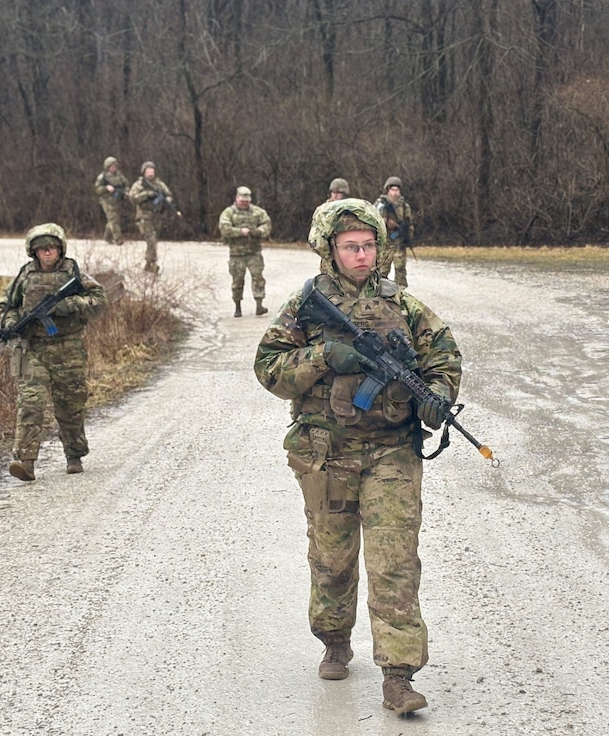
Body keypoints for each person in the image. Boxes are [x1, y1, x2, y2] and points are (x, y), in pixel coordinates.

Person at [254, 198, 462, 716]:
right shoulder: (305, 307)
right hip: (326, 454)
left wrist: (436, 396)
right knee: (332, 559)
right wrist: (324, 356)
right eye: (351, 247)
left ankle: (398, 676)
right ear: (329, 250)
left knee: (395, 561)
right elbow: (268, 368)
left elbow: (444, 357)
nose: (363, 255)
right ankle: (334, 639)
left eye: (369, 245)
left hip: (392, 450)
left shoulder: (406, 306)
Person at [0, 223, 108, 481]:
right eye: (41, 249)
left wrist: (70, 305)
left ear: (60, 249)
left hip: (68, 348)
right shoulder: (24, 276)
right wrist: (11, 323)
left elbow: (100, 301)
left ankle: (74, 454)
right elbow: (7, 306)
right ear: (33, 252)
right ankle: (25, 462)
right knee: (30, 403)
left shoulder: (74, 274)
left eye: (51, 248)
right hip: (32, 349)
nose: (47, 253)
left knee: (70, 404)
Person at [218, 185, 271, 317]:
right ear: (236, 198)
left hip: (254, 252)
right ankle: (237, 307)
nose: (244, 203)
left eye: (247, 201)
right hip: (236, 253)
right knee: (237, 281)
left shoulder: (257, 212)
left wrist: (258, 231)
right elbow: (224, 228)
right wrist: (240, 232)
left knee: (258, 278)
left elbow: (267, 224)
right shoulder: (228, 213)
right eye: (242, 201)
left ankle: (259, 305)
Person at [128, 160, 180, 274]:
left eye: (152, 170)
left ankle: (148, 263)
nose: (151, 173)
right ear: (144, 172)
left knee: (154, 240)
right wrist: (146, 194)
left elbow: (168, 195)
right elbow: (132, 198)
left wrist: (167, 200)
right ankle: (152, 263)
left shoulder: (159, 184)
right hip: (144, 215)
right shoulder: (139, 184)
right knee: (151, 239)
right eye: (148, 171)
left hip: (156, 216)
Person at [374, 176, 414, 287]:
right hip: (385, 243)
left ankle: (400, 294)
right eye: (393, 189)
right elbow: (374, 220)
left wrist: (408, 237)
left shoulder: (404, 206)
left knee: (400, 270)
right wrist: (386, 222)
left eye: (397, 190)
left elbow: (409, 223)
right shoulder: (381, 204)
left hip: (399, 243)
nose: (395, 193)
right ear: (388, 190)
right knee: (382, 271)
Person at [94, 156, 130, 245]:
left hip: (117, 201)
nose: (113, 168)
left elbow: (126, 184)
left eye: (115, 166)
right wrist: (106, 188)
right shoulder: (103, 177)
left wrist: (126, 191)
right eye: (111, 166)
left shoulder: (120, 176)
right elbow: (97, 189)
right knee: (114, 219)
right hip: (106, 200)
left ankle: (107, 237)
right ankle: (118, 239)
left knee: (113, 219)